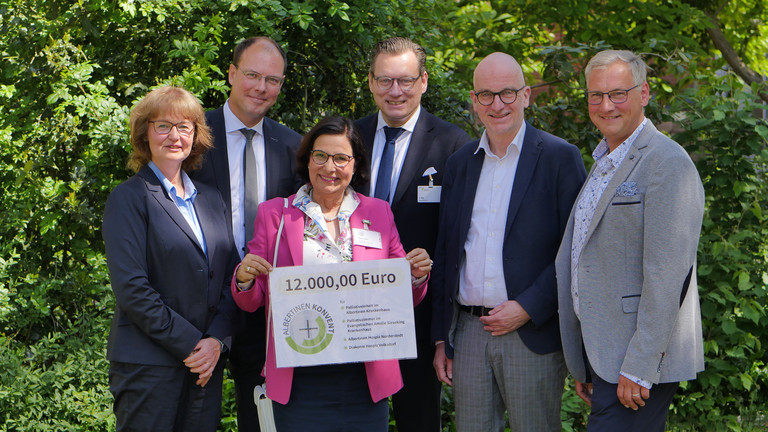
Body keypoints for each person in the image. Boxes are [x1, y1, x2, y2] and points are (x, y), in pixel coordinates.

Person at [231, 115, 432, 432]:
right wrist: (244, 279)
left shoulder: (377, 212)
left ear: (355, 165)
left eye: (341, 158)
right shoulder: (274, 214)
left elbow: (402, 294)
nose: (330, 167)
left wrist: (416, 275)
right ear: (308, 159)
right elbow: (253, 300)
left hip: (365, 379)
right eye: (321, 156)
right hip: (299, 379)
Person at [431, 52, 587, 432]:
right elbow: (447, 250)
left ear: (527, 95)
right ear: (474, 100)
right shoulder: (460, 163)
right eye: (486, 94)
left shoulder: (559, 157)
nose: (497, 104)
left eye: (507, 93)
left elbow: (577, 252)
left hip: (529, 331)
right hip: (468, 332)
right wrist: (441, 338)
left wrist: (529, 307)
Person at [555, 49, 705, 431]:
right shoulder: (605, 160)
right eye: (596, 95)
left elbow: (668, 275)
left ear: (644, 94)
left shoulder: (665, 161)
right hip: (604, 356)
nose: (606, 105)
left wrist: (640, 366)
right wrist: (586, 359)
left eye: (618, 93)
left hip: (634, 363)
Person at [102, 86, 239, 431]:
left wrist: (216, 341)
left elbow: (230, 277)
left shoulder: (210, 198)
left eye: (185, 127)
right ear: (145, 134)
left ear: (196, 135)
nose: (174, 136)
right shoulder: (129, 198)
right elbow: (132, 288)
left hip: (205, 366)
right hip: (148, 367)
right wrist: (194, 344)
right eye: (163, 126)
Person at [354, 36, 471, 432]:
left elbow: (456, 241)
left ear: (423, 81)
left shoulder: (454, 145)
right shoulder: (348, 140)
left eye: (405, 80)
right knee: (353, 416)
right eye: (385, 81)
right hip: (354, 309)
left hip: (419, 316)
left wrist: (443, 331)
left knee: (418, 420)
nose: (395, 91)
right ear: (370, 82)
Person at [189, 36, 302, 431]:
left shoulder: (293, 145)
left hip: (264, 305)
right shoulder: (192, 137)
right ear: (232, 73)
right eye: (252, 75)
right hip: (200, 306)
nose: (261, 87)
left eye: (272, 80)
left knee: (262, 418)